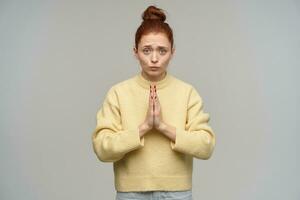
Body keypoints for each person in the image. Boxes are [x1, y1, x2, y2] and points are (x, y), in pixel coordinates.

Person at [91, 5, 216, 200]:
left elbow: (206, 146)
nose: (154, 59)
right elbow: (102, 148)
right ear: (135, 51)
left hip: (177, 192)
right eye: (147, 50)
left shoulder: (187, 92)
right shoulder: (118, 93)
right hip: (130, 193)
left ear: (172, 52)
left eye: (162, 50)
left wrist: (163, 127)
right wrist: (144, 127)